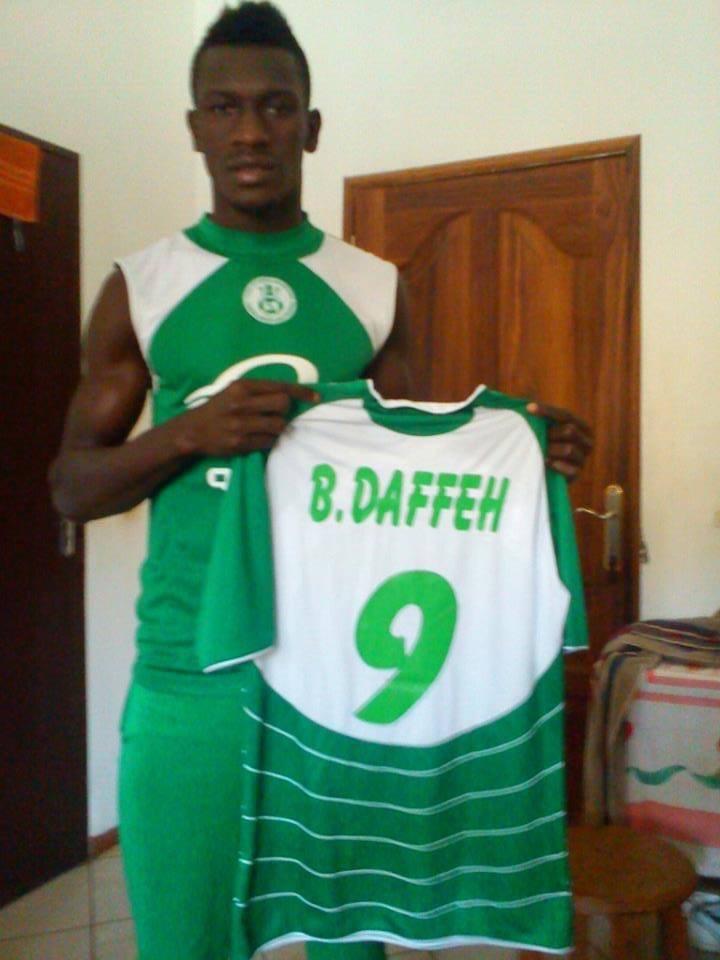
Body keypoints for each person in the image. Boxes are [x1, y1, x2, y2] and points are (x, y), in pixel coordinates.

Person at [49, 4, 592, 959]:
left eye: (275, 106)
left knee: (351, 944)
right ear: (195, 128)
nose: (250, 132)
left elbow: (412, 484)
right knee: (185, 944)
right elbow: (72, 488)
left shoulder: (374, 286)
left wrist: (520, 454)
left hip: (338, 673)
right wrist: (190, 433)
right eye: (224, 108)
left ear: (312, 125)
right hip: (192, 674)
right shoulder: (143, 284)